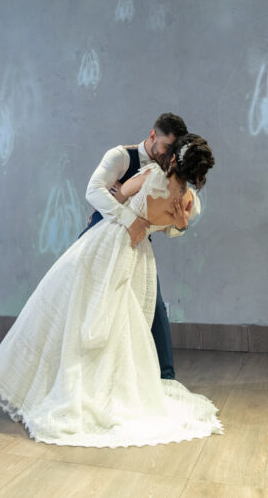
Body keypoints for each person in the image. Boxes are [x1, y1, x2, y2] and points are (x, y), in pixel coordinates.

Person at [0, 133, 221, 447]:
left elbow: (118, 196)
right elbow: (170, 227)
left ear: (175, 157)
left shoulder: (152, 175)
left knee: (85, 310)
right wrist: (172, 222)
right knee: (122, 320)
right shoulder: (188, 201)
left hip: (111, 243)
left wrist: (123, 195)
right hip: (139, 256)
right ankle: (111, 390)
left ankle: (76, 386)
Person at [81, 112, 195, 380]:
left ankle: (165, 378)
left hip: (138, 244)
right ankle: (88, 375)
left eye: (173, 150)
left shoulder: (168, 172)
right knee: (89, 303)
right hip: (102, 236)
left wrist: (179, 226)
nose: (168, 155)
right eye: (166, 147)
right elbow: (93, 191)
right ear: (153, 135)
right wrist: (129, 218)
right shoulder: (121, 156)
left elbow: (165, 223)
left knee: (153, 305)